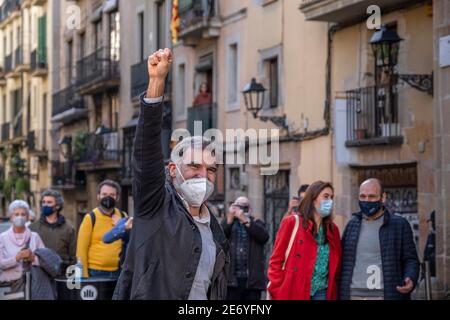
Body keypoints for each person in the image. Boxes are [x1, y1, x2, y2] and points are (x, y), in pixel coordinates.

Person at [113, 48, 229, 300]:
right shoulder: (154, 206)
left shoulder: (215, 230)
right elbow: (146, 155)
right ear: (173, 170)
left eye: (211, 169)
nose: (203, 175)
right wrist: (156, 83)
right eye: (194, 166)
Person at [339, 178, 420, 300]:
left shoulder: (399, 225)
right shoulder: (352, 225)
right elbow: (343, 261)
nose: (367, 200)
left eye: (372, 196)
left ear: (383, 197)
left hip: (385, 295)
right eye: (363, 196)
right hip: (353, 294)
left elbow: (411, 259)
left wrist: (411, 277)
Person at [267, 181, 341, 300]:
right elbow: (276, 260)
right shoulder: (292, 222)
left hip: (323, 292)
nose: (330, 201)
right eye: (326, 196)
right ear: (313, 199)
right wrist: (277, 289)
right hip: (294, 291)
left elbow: (336, 264)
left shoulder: (333, 230)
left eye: (332, 197)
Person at [77, 180, 128, 279]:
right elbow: (81, 250)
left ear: (117, 197)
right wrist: (83, 277)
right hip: (95, 272)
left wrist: (120, 225)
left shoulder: (123, 216)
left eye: (112, 194)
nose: (108, 197)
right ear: (98, 196)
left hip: (119, 272)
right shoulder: (90, 218)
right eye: (104, 194)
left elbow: (129, 242)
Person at [221, 197, 269, 300]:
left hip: (252, 282)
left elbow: (264, 237)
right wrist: (229, 218)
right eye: (239, 206)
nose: (241, 210)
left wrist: (245, 220)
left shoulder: (256, 222)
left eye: (244, 206)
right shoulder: (229, 223)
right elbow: (219, 238)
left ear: (250, 209)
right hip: (232, 281)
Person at [0, 200, 45, 296]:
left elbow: (44, 261)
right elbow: (1, 264)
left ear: (27, 217)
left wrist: (33, 258)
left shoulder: (35, 236)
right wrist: (17, 257)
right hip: (9, 287)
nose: (19, 217)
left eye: (23, 214)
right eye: (16, 214)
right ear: (11, 217)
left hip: (32, 285)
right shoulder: (2, 238)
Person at [29, 189, 77, 275]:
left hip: (61, 275)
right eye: (43, 202)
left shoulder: (68, 228)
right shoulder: (33, 228)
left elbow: (74, 257)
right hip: (39, 275)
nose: (45, 205)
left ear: (57, 206)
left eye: (49, 202)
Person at [423, 211, 436, 277]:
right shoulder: (430, 236)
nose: (432, 224)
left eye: (433, 221)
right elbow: (425, 256)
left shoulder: (443, 237)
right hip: (430, 276)